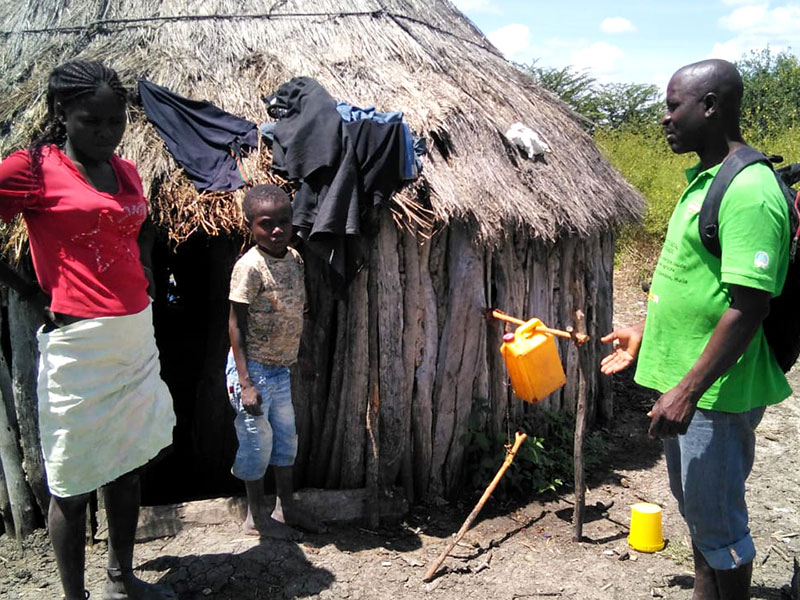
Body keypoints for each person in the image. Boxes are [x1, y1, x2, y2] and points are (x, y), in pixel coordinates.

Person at [601, 59, 791, 600]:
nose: (663, 119)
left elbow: (749, 306)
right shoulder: (704, 182)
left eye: (672, 106)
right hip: (694, 383)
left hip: (716, 392)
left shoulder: (749, 190)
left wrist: (686, 390)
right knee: (699, 516)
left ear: (709, 107)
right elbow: (698, 283)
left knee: (719, 526)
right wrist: (646, 330)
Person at [0, 61, 176, 600]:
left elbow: (137, 230)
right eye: (90, 121)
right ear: (62, 114)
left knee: (127, 465)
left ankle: (121, 580)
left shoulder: (125, 172)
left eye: (115, 122)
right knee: (72, 484)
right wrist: (27, 288)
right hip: (79, 346)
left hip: (134, 336)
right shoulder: (30, 169)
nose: (105, 133)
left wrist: (142, 267)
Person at [226, 184, 324, 539]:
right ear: (250, 225)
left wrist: (303, 355)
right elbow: (236, 324)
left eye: (284, 222)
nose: (277, 230)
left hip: (281, 368)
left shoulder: (295, 260)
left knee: (286, 440)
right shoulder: (249, 267)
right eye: (267, 224)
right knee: (256, 442)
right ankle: (256, 517)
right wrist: (246, 381)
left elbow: (297, 310)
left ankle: (285, 506)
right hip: (254, 370)